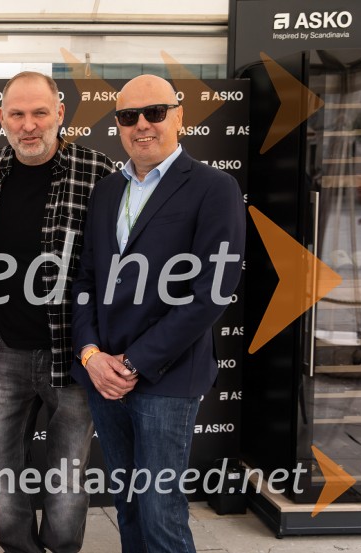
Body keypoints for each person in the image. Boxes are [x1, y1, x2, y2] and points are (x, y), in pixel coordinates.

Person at [71, 74, 245, 553]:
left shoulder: (214, 187)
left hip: (166, 377)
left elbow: (211, 292)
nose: (142, 124)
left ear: (179, 116)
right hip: (105, 376)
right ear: (118, 125)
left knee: (160, 511)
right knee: (128, 505)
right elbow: (85, 281)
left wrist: (133, 363)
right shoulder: (106, 191)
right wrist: (91, 355)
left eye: (155, 112)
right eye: (129, 116)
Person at [0, 71, 115, 553]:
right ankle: (20, 548)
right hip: (3, 350)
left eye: (40, 113)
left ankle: (61, 548)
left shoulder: (99, 172)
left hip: (73, 352)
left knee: (69, 471)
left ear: (60, 114)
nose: (29, 125)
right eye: (18, 114)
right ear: (2, 118)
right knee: (0, 465)